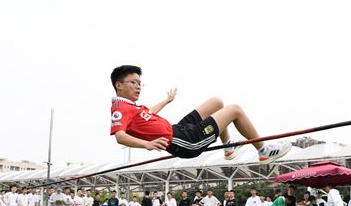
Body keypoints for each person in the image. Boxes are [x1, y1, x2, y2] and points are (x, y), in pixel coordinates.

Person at [108, 65, 291, 163]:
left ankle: (228, 146)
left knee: (217, 102)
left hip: (178, 128)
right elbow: (120, 136)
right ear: (119, 85)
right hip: (185, 141)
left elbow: (148, 113)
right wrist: (147, 144)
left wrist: (166, 101)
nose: (138, 86)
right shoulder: (119, 108)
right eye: (133, 82)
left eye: (140, 83)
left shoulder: (132, 107)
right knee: (234, 110)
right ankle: (263, 151)